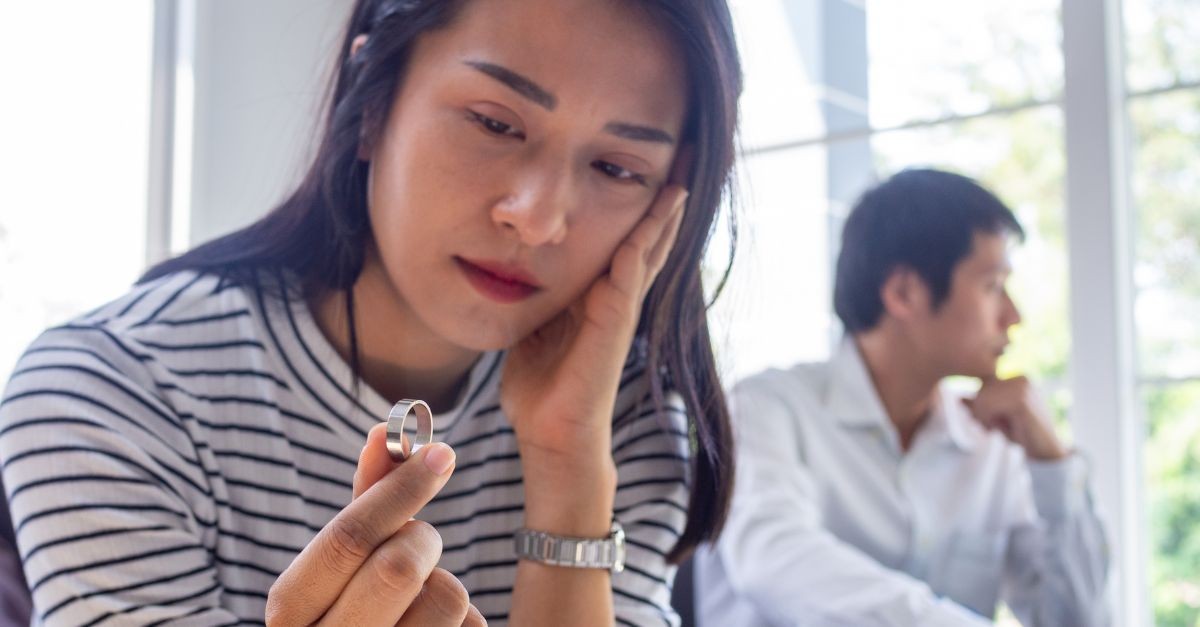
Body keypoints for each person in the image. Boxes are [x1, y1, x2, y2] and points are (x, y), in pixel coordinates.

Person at [0, 0, 742, 624]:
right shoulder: (110, 391)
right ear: (371, 102)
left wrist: (569, 467)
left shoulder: (623, 417)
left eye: (617, 168)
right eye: (494, 122)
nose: (540, 218)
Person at [694, 168, 1111, 626]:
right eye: (992, 286)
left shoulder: (995, 443)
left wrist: (1052, 463)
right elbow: (773, 564)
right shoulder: (767, 408)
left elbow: (1079, 620)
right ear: (904, 292)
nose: (1014, 316)